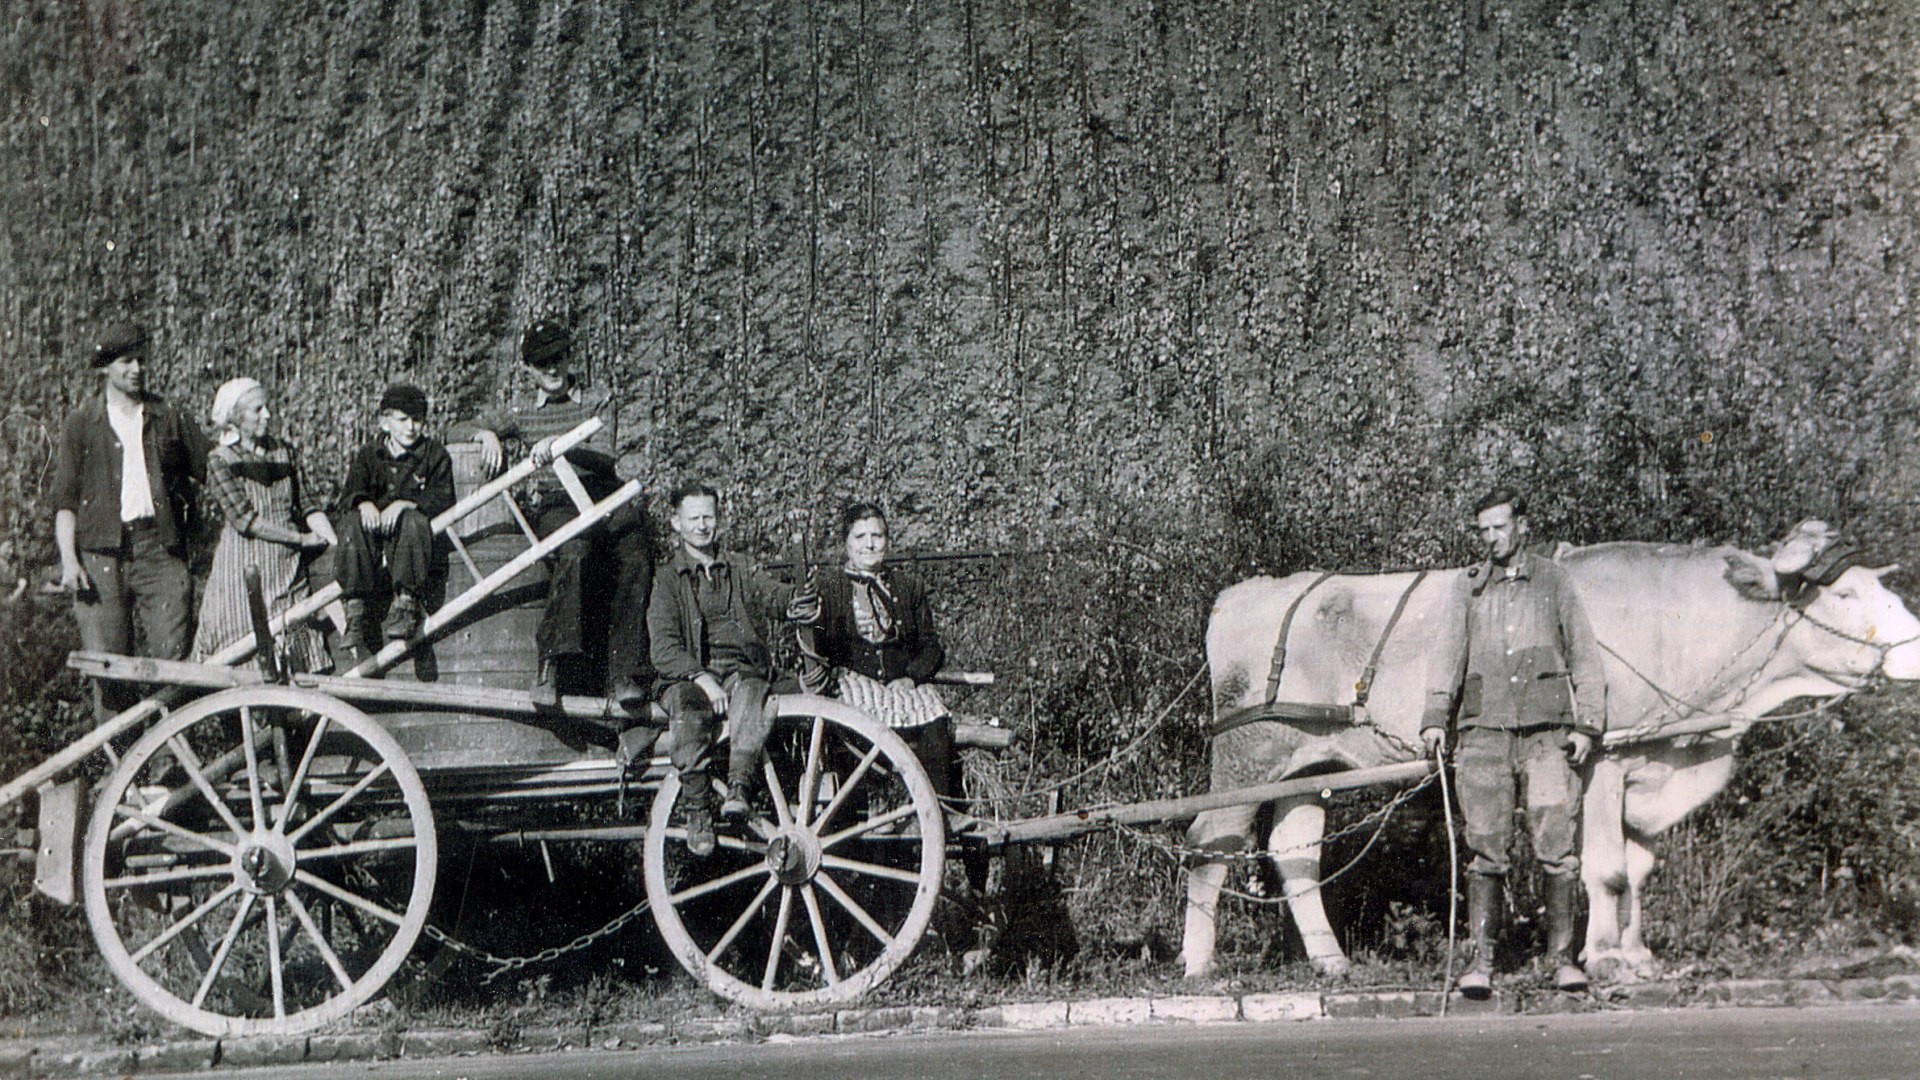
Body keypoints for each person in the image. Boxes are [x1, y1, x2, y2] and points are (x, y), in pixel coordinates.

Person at [1422, 484, 1606, 997]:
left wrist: (1588, 724)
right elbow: (1446, 656)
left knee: (1557, 849)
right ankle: (1481, 964)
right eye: (1483, 530)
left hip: (1548, 738)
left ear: (1521, 524)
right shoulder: (1469, 587)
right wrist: (1436, 716)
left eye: (1500, 527)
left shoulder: (1553, 580)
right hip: (1483, 736)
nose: (1492, 538)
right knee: (1486, 851)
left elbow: (1586, 657)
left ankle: (1562, 961)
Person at [449, 320, 654, 710]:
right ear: (528, 369)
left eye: (558, 357)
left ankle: (624, 673)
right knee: (574, 549)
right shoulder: (521, 411)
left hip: (600, 493)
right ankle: (551, 666)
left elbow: (607, 455)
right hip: (556, 500)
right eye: (542, 363)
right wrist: (485, 434)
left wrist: (561, 447)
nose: (553, 368)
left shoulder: (598, 399)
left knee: (635, 551)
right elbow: (457, 429)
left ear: (569, 356)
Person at [49, 322, 210, 717]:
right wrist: (70, 562)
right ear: (104, 368)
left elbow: (213, 467)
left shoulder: (168, 416)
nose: (137, 368)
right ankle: (123, 770)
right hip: (100, 556)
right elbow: (65, 500)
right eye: (126, 361)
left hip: (160, 550)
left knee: (173, 663)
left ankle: (171, 766)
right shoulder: (82, 424)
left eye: (141, 360)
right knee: (109, 667)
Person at [648, 481, 816, 856]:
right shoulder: (667, 579)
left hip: (741, 669)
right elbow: (663, 647)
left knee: (754, 692)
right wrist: (703, 679)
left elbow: (769, 592)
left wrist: (795, 601)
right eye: (693, 518)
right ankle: (697, 811)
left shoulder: (739, 566)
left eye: (709, 516)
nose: (702, 526)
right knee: (689, 710)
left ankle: (739, 787)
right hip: (690, 676)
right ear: (676, 523)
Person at [799, 502, 956, 798]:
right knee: (850, 717)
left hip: (900, 684)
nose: (870, 545)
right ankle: (868, 805)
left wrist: (911, 677)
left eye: (878, 536)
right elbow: (817, 646)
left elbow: (931, 648)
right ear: (846, 543)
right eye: (860, 537)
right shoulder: (829, 588)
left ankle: (939, 808)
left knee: (935, 717)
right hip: (853, 681)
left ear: (887, 540)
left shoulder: (907, 586)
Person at [191, 378, 336, 672]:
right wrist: (301, 539)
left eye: (267, 407)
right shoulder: (221, 460)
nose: (268, 414)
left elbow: (306, 503)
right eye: (258, 410)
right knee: (246, 648)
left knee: (294, 635)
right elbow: (247, 521)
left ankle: (294, 713)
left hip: (286, 569)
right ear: (234, 417)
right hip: (245, 568)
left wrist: (334, 544)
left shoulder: (283, 451)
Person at [331, 383, 455, 659]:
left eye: (417, 419)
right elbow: (351, 491)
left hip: (411, 541)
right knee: (351, 523)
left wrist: (405, 504)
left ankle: (407, 605)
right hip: (372, 537)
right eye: (402, 420)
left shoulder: (434, 455)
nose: (411, 427)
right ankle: (356, 610)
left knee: (413, 521)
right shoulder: (369, 455)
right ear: (385, 423)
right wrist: (364, 504)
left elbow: (443, 499)